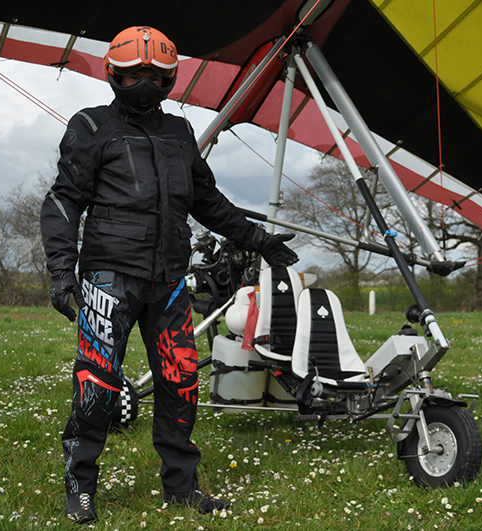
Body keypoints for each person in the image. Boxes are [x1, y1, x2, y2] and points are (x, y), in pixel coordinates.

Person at [40, 26, 298, 524]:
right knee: (98, 385)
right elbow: (63, 200)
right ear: (114, 74)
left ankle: (181, 487)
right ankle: (80, 483)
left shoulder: (179, 133)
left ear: (171, 79)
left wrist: (260, 241)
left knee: (181, 382)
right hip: (108, 280)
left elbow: (207, 202)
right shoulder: (90, 126)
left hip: (170, 282)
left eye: (156, 75)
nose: (145, 81)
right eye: (135, 73)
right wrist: (60, 271)